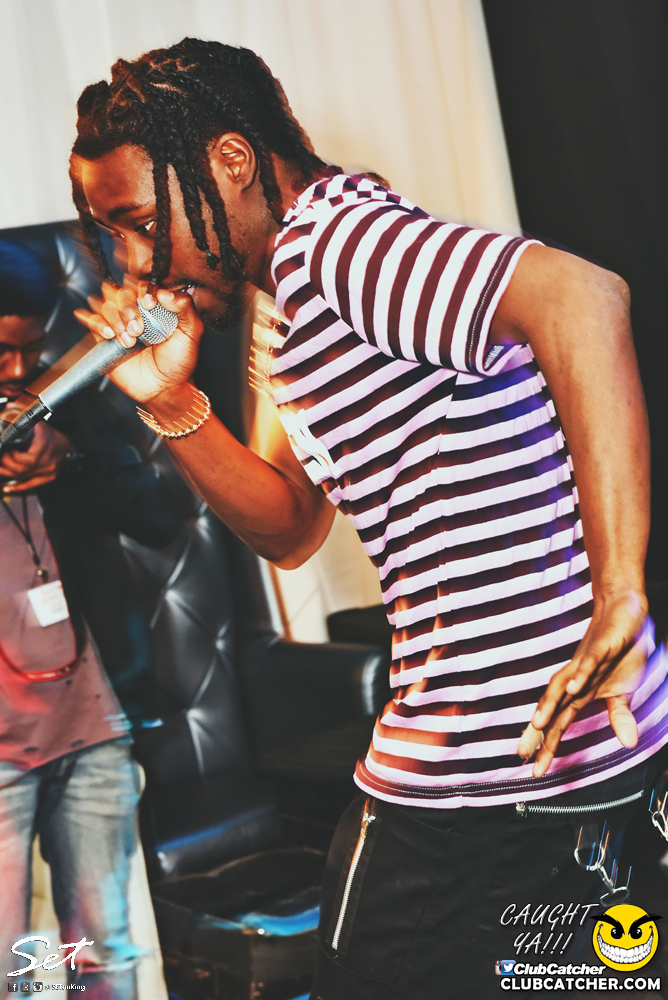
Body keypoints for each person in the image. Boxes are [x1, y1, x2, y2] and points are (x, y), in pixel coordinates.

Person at [68, 39, 667, 997]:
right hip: (577, 761)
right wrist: (172, 405)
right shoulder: (288, 301)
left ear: (231, 160)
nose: (136, 261)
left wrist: (620, 590)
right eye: (114, 237)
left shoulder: (334, 247)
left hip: (478, 782)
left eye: (140, 223)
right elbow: (289, 526)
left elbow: (583, 299)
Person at [0, 239, 177, 998]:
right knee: (14, 971)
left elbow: (161, 516)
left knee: (104, 954)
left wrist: (68, 461)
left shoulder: (64, 402)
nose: (17, 370)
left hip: (94, 726)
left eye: (30, 347)